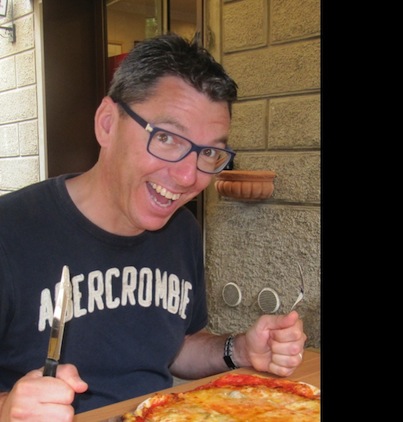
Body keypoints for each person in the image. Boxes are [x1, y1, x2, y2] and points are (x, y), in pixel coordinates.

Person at [0, 33, 306, 420]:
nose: (188, 177)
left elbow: (176, 348)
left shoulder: (182, 231)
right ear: (107, 124)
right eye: (166, 138)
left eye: (209, 152)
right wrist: (8, 408)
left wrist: (241, 349)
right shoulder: (11, 231)